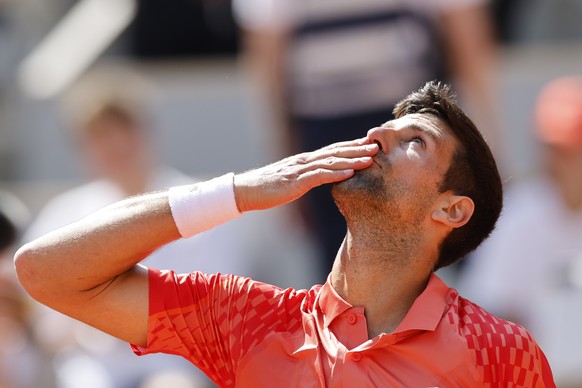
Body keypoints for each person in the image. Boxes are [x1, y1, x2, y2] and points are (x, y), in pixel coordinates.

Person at [14, 81, 554, 386]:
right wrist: (240, 190)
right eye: (387, 123)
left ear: (452, 211)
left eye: (416, 140)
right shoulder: (244, 318)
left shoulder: (498, 351)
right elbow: (44, 271)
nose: (377, 134)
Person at [233, 0, 502, 274]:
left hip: (410, 121)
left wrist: (485, 144)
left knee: (447, 250)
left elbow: (466, 37)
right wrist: (283, 162)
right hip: (327, 131)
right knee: (347, 273)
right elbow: (267, 60)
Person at [457, 76, 582, 386]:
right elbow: (482, 315)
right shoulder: (517, 218)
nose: (557, 162)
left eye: (569, 151)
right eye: (552, 148)